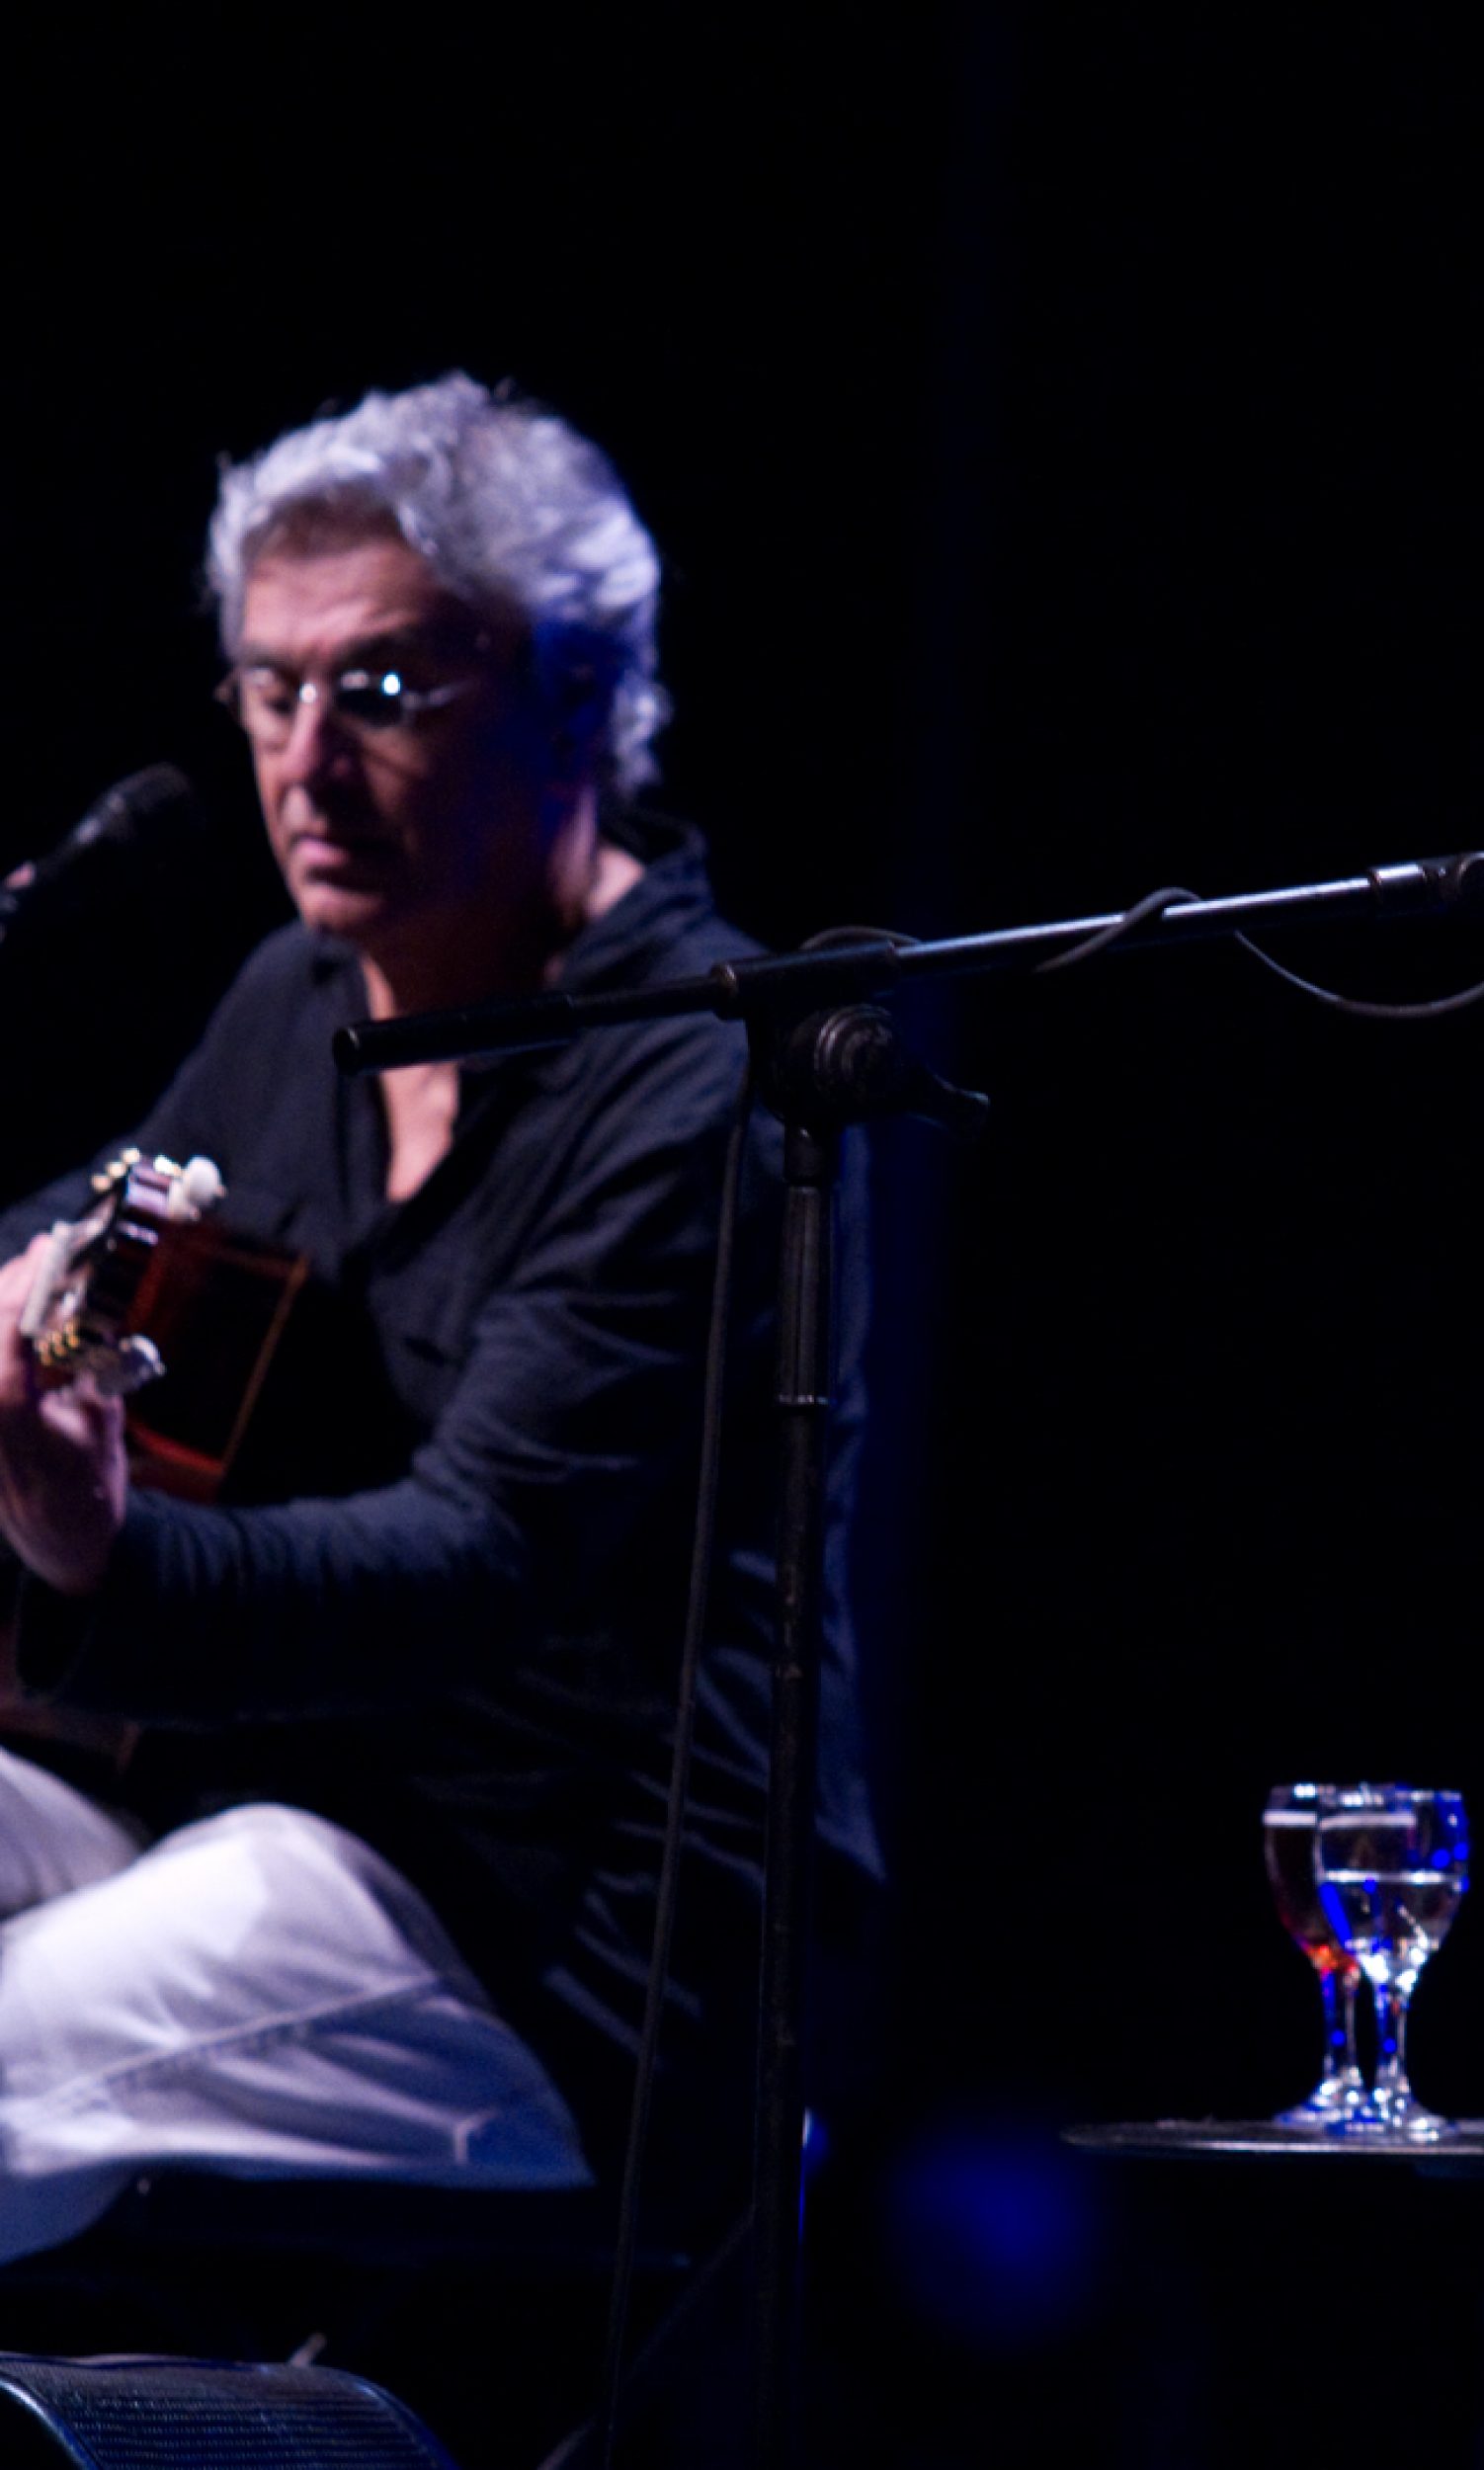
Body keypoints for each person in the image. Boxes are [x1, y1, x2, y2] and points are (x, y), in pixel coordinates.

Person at [0, 374, 874, 2264]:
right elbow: (82, 1234)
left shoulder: (698, 1076)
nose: (307, 760)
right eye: (267, 689)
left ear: (582, 695)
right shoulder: (302, 994)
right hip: (257, 1810)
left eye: (385, 689)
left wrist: (94, 1550)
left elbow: (476, 1559)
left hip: (571, 1934)